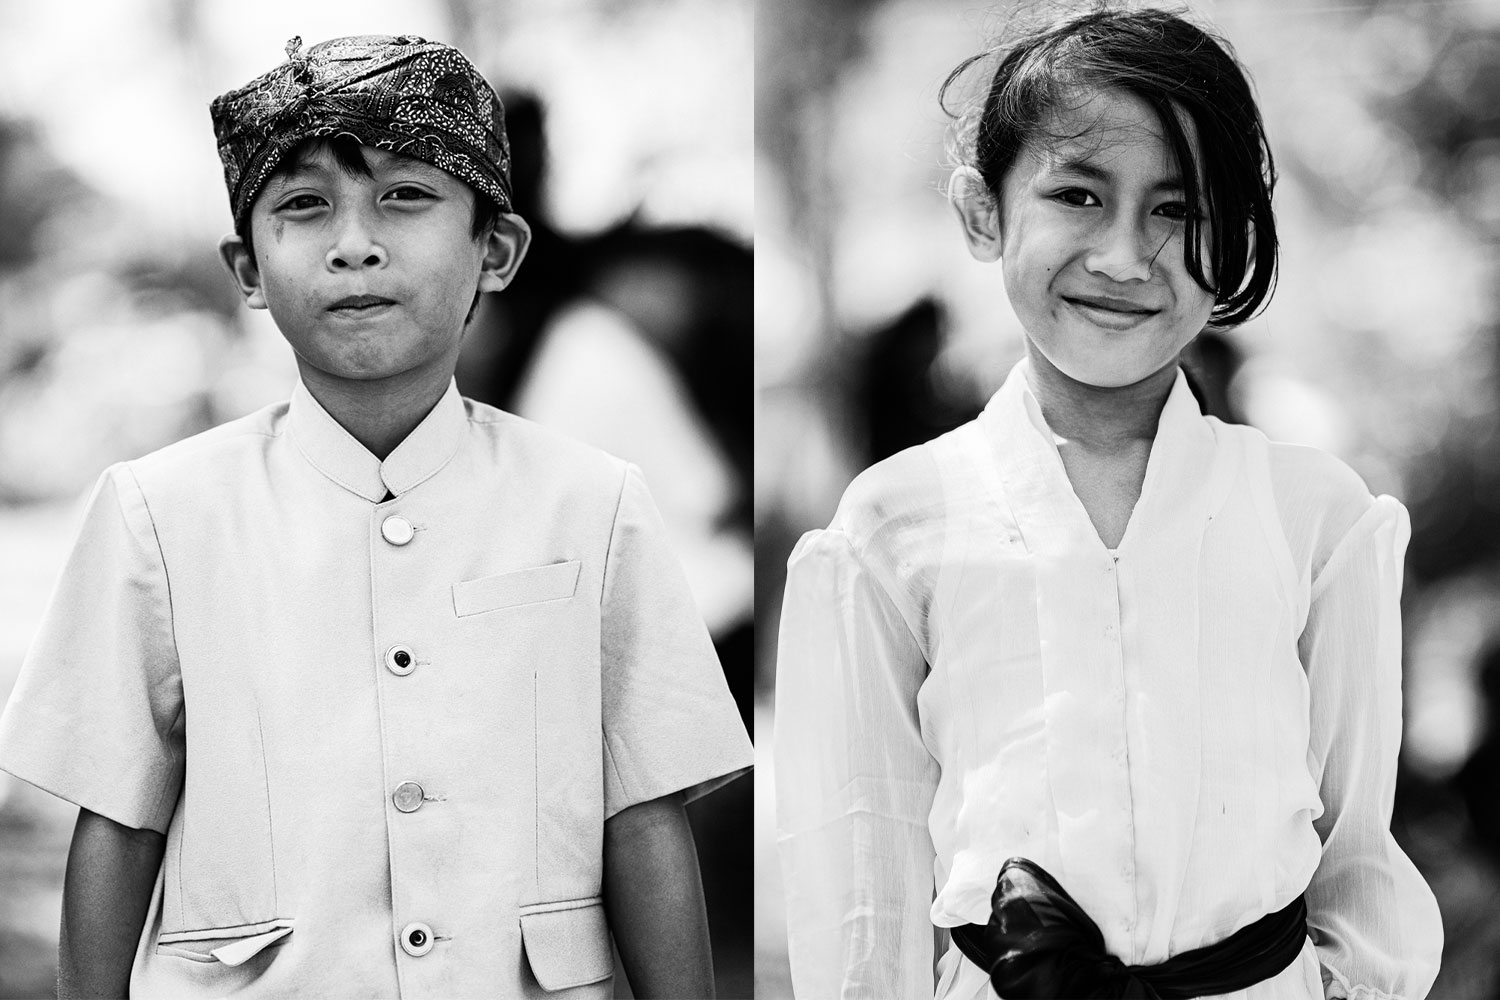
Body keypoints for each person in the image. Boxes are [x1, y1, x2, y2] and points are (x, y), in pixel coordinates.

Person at [0, 34, 752, 999]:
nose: (355, 242)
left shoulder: (594, 504)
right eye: (305, 205)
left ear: (496, 250)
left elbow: (642, 813)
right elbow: (120, 817)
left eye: (406, 196)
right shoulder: (159, 514)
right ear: (247, 268)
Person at [773, 7, 1442, 999]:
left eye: (1176, 209)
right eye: (1078, 195)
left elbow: (1356, 860)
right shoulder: (893, 525)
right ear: (982, 211)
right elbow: (862, 892)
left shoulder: (1316, 518)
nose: (1126, 256)